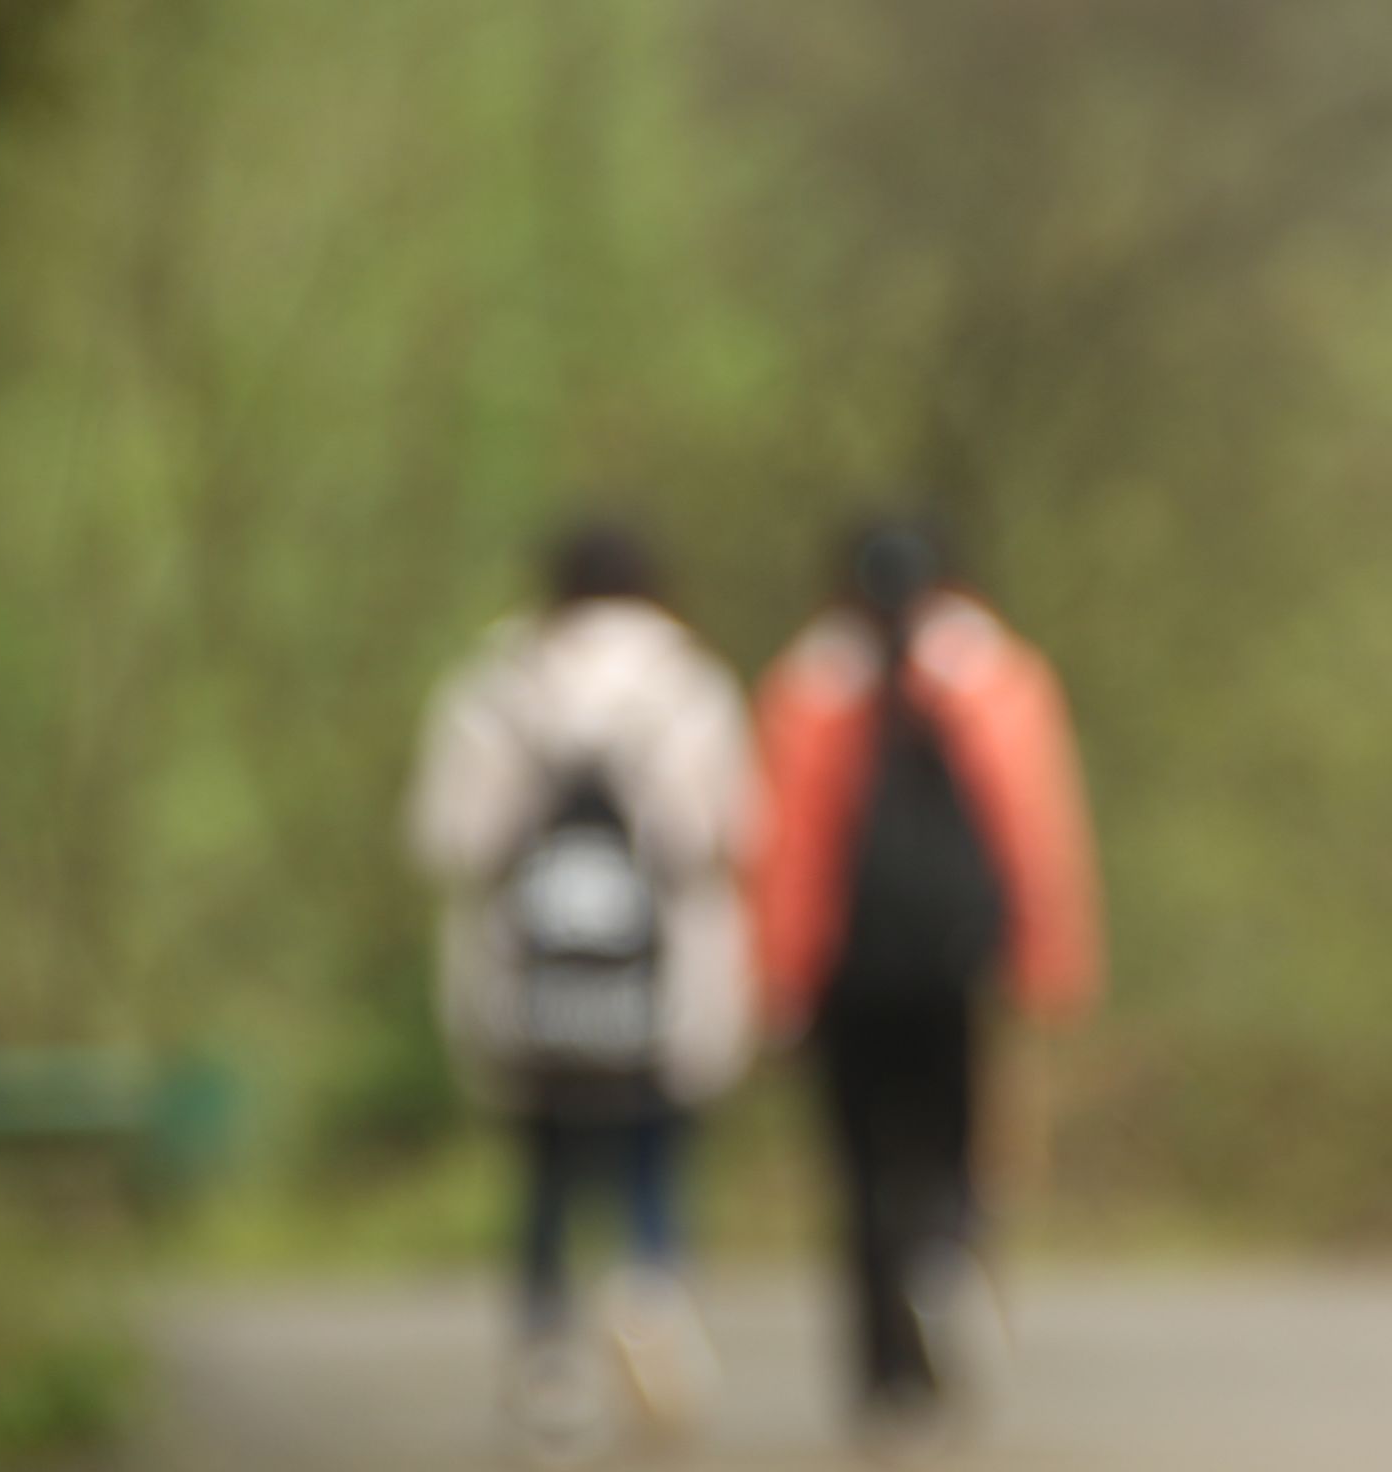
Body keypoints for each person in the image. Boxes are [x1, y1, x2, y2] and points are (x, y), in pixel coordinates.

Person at [406, 519, 762, 1457]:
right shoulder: (693, 688)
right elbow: (733, 834)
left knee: (546, 1172)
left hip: (525, 987)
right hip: (663, 986)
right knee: (653, 1151)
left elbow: (447, 840)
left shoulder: (491, 689)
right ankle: (649, 1291)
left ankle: (547, 1364)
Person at [755, 518, 1102, 1428]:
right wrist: (1048, 955)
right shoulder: (997, 677)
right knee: (952, 1143)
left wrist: (781, 974)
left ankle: (884, 1371)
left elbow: (788, 848)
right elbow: (1034, 828)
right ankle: (945, 1262)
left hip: (846, 973)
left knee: (860, 1165)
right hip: (955, 963)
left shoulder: (808, 686)